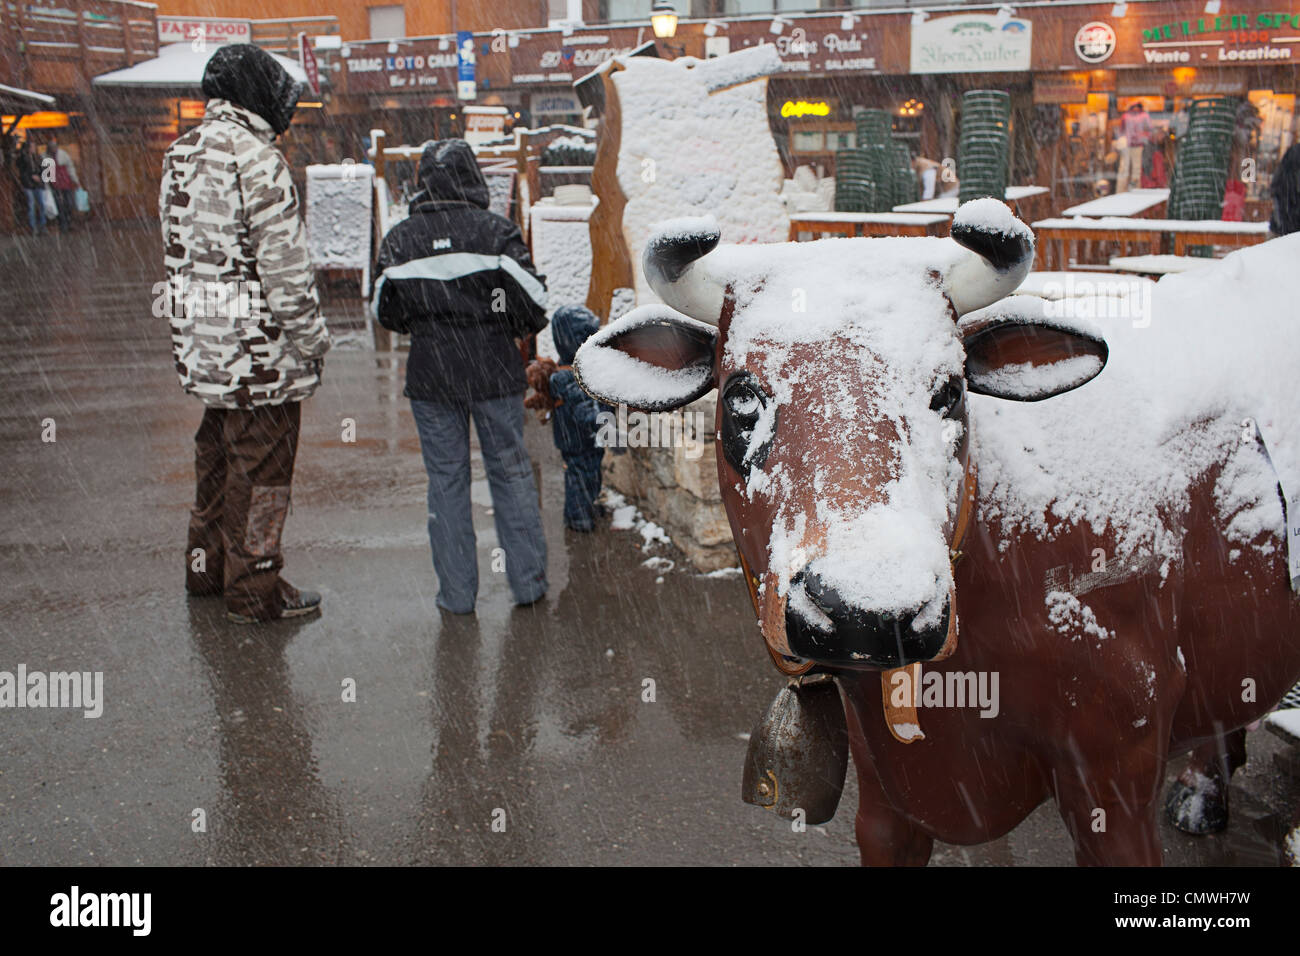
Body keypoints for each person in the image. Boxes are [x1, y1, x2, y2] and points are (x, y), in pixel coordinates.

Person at [159, 43, 331, 624]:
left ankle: (205, 570)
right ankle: (254, 590)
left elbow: (181, 260)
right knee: (262, 478)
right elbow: (286, 272)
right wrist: (313, 342)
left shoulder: (179, 154)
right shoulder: (257, 160)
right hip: (262, 362)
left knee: (215, 461)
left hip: (205, 352)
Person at [372, 139, 550, 615]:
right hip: (493, 369)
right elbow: (534, 303)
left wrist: (426, 323)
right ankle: (528, 585)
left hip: (431, 375)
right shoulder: (496, 232)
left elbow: (384, 310)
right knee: (510, 475)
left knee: (446, 483)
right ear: (473, 178)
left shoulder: (400, 239)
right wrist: (505, 323)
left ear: (421, 181)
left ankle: (455, 596)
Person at [526, 305, 605, 532]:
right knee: (580, 476)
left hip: (585, 437)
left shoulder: (576, 369)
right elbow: (584, 408)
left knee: (590, 473)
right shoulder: (567, 377)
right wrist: (601, 424)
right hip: (577, 437)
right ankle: (577, 516)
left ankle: (586, 506)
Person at [43, 136, 79, 232]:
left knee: (68, 203)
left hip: (65, 182)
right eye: (52, 147)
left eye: (55, 147)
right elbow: (46, 174)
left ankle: (68, 222)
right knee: (59, 204)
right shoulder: (46, 157)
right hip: (55, 183)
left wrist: (75, 180)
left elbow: (70, 168)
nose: (54, 149)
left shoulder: (63, 155)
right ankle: (63, 224)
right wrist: (46, 187)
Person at [1116, 102, 1153, 193]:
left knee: (1130, 168)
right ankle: (1129, 190)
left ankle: (1128, 190)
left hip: (1133, 143)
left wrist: (1144, 137)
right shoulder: (1130, 116)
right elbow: (1149, 129)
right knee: (1129, 167)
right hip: (1130, 143)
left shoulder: (1139, 115)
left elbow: (1149, 129)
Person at [15, 136, 46, 236]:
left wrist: (40, 178)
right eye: (31, 147)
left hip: (37, 184)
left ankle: (42, 225)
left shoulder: (37, 158)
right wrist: (31, 176)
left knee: (41, 204)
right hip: (28, 184)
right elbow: (22, 171)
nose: (33, 149)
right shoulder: (23, 158)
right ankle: (33, 227)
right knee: (31, 205)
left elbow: (42, 169)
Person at [1269, 141, 1300, 237]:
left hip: (1284, 226)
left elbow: (1275, 186)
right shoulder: (1295, 153)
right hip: (1288, 225)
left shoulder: (1293, 152)